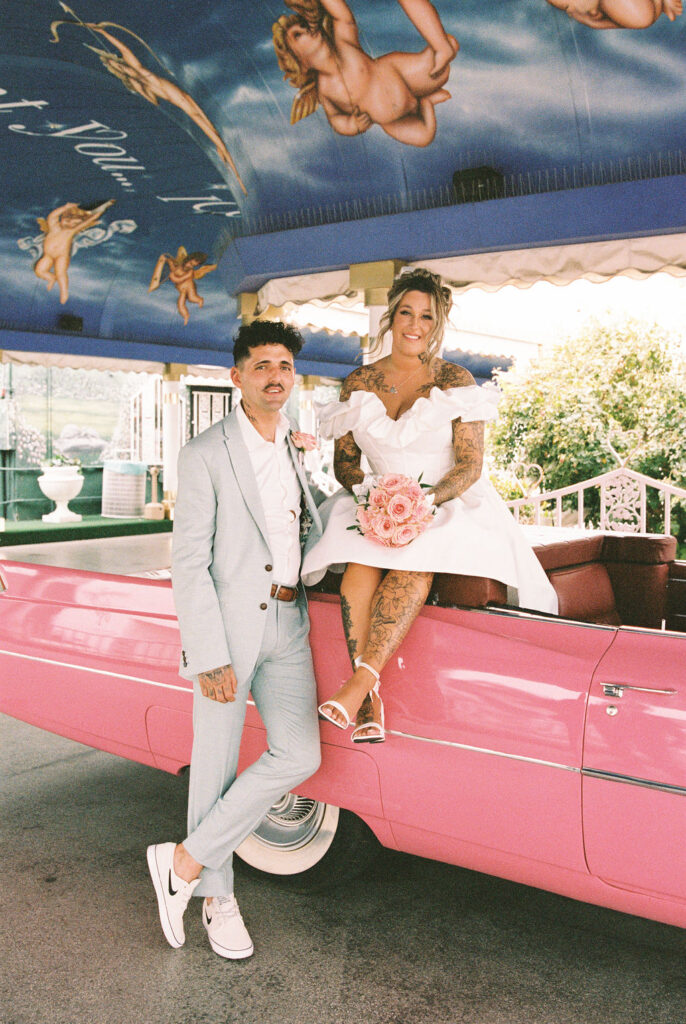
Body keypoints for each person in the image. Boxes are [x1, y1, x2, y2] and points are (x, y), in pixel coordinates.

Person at [301, 268, 558, 743]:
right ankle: (369, 699)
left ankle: (359, 685)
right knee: (360, 563)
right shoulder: (359, 381)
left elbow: (469, 465)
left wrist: (422, 500)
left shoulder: (454, 379)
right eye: (406, 313)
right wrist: (373, 496)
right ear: (390, 317)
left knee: (415, 561)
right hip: (373, 498)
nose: (414, 325)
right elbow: (345, 463)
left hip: (445, 499)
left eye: (426, 316)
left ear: (437, 323)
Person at [147, 320, 322, 959]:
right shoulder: (204, 453)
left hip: (289, 622)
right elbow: (189, 560)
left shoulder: (298, 449)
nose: (275, 376)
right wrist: (208, 653)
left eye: (285, 366)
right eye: (262, 366)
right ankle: (219, 902)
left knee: (300, 755)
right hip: (228, 631)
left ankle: (184, 862)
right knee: (214, 769)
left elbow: (307, 525)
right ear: (237, 376)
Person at [50, 18, 247, 194]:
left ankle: (237, 176)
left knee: (214, 136)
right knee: (212, 136)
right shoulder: (138, 80)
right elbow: (154, 102)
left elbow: (124, 50)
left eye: (118, 63)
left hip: (186, 99)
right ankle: (237, 176)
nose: (121, 66)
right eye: (118, 68)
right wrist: (136, 88)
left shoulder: (138, 69)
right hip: (184, 105)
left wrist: (103, 32)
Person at [272, 0, 459, 147]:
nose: (305, 28)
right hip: (392, 120)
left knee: (448, 48)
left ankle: (425, 87)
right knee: (423, 136)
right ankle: (425, 102)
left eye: (303, 25)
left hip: (400, 75)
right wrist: (352, 125)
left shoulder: (343, 44)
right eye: (297, 35)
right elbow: (335, 119)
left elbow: (341, 16)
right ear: (299, 62)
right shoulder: (326, 89)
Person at [33, 200, 115, 304]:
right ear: (62, 219)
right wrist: (65, 207)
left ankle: (64, 292)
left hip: (61, 256)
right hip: (48, 255)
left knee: (61, 273)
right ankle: (51, 278)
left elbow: (87, 222)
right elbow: (52, 217)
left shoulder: (71, 231)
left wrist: (99, 212)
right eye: (67, 220)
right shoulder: (54, 228)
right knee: (39, 270)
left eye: (75, 223)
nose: (70, 223)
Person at [148, 247, 217, 325]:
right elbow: (172, 268)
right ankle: (186, 316)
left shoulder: (190, 272)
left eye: (193, 266)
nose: (191, 266)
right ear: (188, 259)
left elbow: (180, 279)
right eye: (190, 264)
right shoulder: (178, 266)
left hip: (189, 288)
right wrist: (166, 260)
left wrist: (173, 277)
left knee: (191, 298)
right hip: (182, 290)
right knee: (180, 304)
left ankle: (200, 300)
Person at [545, 0, 682, 28]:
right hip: (647, 13)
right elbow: (598, 24)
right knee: (641, 18)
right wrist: (589, 21)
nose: (569, 10)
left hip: (649, 12)